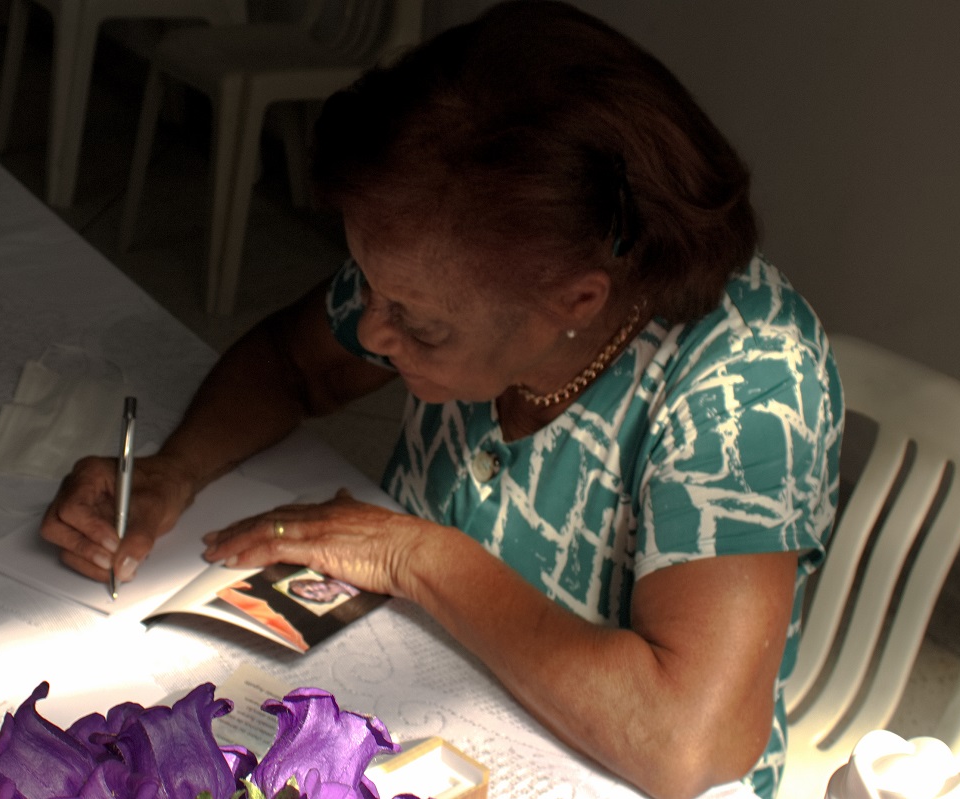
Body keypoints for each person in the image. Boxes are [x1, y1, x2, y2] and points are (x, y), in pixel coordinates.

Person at [41, 3, 843, 797]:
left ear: (575, 300)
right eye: (370, 286)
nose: (371, 330)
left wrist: (416, 555)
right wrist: (174, 471)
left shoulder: (749, 380)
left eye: (419, 323)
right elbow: (294, 362)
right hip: (433, 691)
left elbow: (685, 740)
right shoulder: (448, 246)